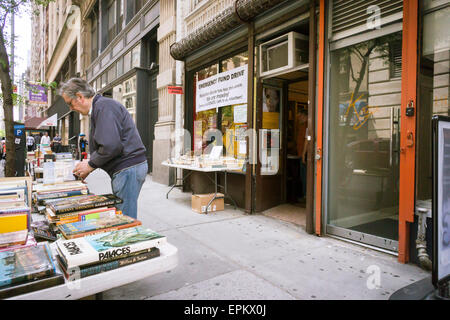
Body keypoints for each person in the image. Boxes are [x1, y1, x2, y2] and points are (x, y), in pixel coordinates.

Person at [59, 78, 148, 220]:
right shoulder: (100, 107)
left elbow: (111, 145)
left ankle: (126, 240)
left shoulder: (103, 107)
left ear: (80, 97)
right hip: (128, 167)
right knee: (123, 214)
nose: (71, 108)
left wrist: (90, 165)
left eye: (70, 103)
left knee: (125, 218)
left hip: (128, 168)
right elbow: (107, 144)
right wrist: (88, 166)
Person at [296, 108, 309, 200]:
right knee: (303, 175)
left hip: (304, 154)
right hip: (301, 153)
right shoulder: (302, 125)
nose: (298, 119)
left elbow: (307, 140)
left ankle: (306, 195)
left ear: (304, 116)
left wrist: (304, 154)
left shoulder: (308, 125)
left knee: (304, 176)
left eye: (300, 117)